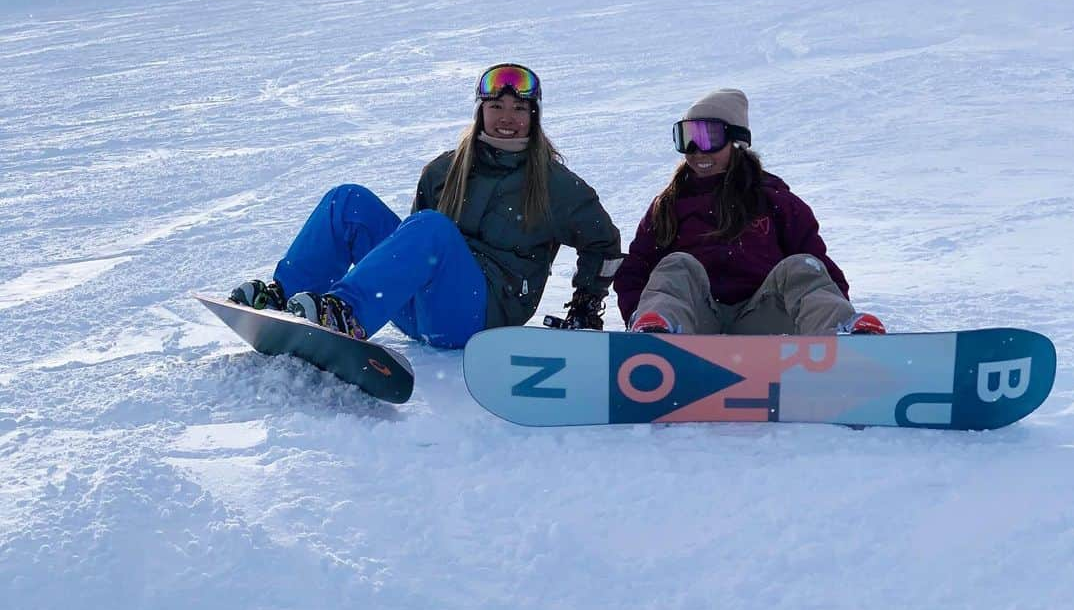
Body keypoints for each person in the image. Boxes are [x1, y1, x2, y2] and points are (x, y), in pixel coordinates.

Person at [230, 63, 622, 348]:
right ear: (480, 111)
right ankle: (284, 299)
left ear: (533, 116)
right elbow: (410, 244)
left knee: (432, 228)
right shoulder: (445, 170)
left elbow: (603, 243)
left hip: (481, 317)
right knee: (347, 201)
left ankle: (344, 315)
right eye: (496, 107)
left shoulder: (556, 184)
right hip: (418, 307)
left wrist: (586, 306)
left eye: (519, 109)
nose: (507, 118)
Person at [613, 89, 885, 337]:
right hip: (695, 322)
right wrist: (636, 312)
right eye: (687, 139)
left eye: (709, 138)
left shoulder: (776, 202)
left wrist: (836, 308)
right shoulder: (669, 205)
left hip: (763, 321)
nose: (697, 151)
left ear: (737, 141)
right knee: (678, 265)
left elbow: (819, 270)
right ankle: (654, 334)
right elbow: (636, 268)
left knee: (800, 266)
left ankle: (840, 335)